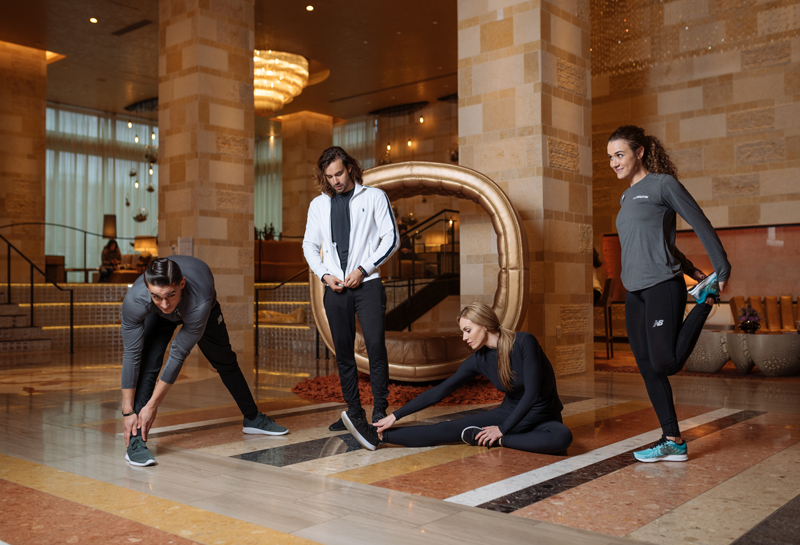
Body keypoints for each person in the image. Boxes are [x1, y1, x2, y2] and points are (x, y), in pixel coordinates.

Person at [608, 125, 731, 463]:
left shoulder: (663, 185)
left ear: (639, 152)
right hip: (634, 291)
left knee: (665, 362)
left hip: (662, 284)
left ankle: (704, 302)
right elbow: (655, 242)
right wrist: (691, 267)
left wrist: (721, 267)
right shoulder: (626, 197)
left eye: (619, 154)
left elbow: (700, 221)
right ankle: (672, 440)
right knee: (648, 368)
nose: (614, 162)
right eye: (611, 157)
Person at [342, 303, 573, 455]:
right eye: (463, 331)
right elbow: (440, 391)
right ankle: (377, 436)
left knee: (561, 438)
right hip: (509, 413)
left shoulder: (524, 342)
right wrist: (396, 415)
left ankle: (498, 441)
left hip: (543, 415)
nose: (464, 338)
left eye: (467, 330)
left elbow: (532, 394)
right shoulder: (478, 360)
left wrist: (501, 431)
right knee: (446, 429)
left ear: (484, 325)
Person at [120, 256, 287, 467]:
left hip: (197, 308)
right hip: (158, 315)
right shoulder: (136, 301)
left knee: (225, 361)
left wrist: (153, 405)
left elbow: (178, 354)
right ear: (147, 288)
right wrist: (127, 411)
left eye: (170, 295)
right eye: (157, 296)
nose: (165, 304)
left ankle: (253, 418)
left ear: (182, 283)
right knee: (148, 363)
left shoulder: (200, 301)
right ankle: (135, 442)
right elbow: (132, 354)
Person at [302, 146, 400, 438]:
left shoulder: (374, 197)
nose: (335, 181)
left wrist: (363, 269)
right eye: (329, 176)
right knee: (343, 352)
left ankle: (379, 410)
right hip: (335, 288)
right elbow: (309, 245)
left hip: (367, 284)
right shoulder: (318, 205)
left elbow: (391, 239)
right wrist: (324, 274)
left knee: (375, 346)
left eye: (339, 173)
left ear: (350, 168)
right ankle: (354, 411)